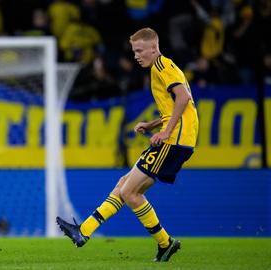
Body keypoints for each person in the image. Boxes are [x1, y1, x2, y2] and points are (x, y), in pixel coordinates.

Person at [56, 27, 198, 262]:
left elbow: (184, 98)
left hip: (175, 140)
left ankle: (165, 242)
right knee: (125, 185)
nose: (136, 55)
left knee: (129, 192)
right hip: (177, 138)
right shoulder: (158, 69)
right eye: (134, 51)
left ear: (154, 48)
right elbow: (178, 105)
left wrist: (166, 131)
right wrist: (154, 125)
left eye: (140, 50)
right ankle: (84, 232)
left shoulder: (163, 66)